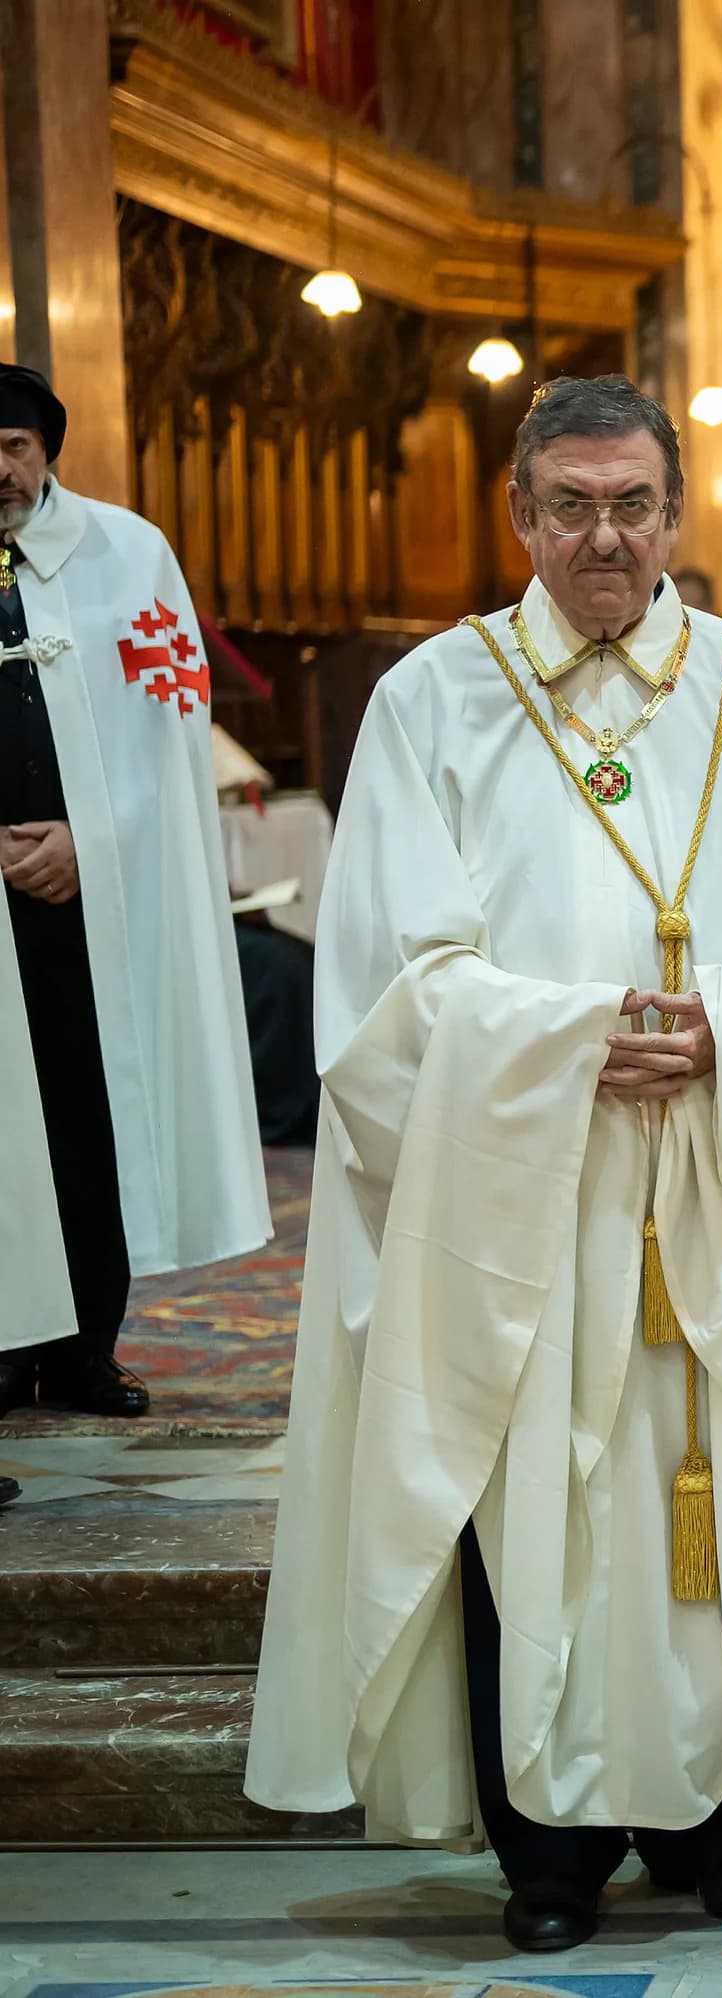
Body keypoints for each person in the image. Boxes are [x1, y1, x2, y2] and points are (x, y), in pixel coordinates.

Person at [246, 377, 722, 1951]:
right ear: (520, 515)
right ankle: (548, 1846)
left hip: (717, 1161)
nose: (606, 535)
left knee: (719, 1481)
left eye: (635, 505)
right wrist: (578, 1039)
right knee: (533, 1492)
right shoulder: (435, 698)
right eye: (573, 506)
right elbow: (396, 966)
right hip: (524, 1170)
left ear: (677, 516)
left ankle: (718, 1831)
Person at [0, 362, 267, 1417]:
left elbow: (169, 734)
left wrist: (93, 844)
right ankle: (6, 1349)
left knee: (85, 1113)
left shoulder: (127, 555)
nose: (1, 468)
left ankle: (80, 1350)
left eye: (15, 446)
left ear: (47, 450)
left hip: (86, 903)